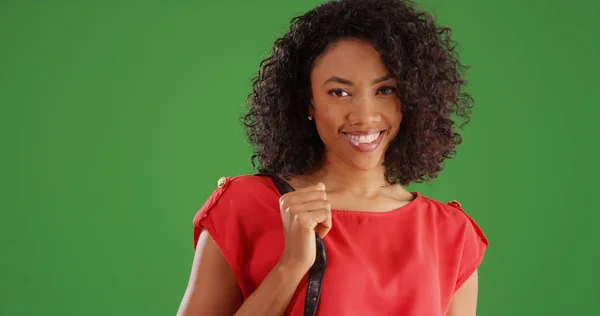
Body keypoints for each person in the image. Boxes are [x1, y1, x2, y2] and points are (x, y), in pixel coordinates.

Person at [177, 0, 488, 315]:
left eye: (385, 90)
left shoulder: (451, 233)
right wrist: (292, 265)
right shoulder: (245, 205)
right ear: (308, 102)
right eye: (339, 92)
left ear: (412, 97)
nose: (365, 116)